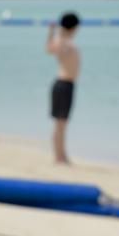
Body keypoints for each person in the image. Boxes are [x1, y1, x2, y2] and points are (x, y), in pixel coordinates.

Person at [45, 12, 80, 164]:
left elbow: (50, 49)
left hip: (67, 84)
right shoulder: (63, 41)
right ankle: (59, 156)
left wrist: (54, 33)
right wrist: (54, 32)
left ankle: (61, 155)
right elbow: (50, 50)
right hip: (63, 84)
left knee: (62, 123)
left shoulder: (66, 40)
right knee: (60, 123)